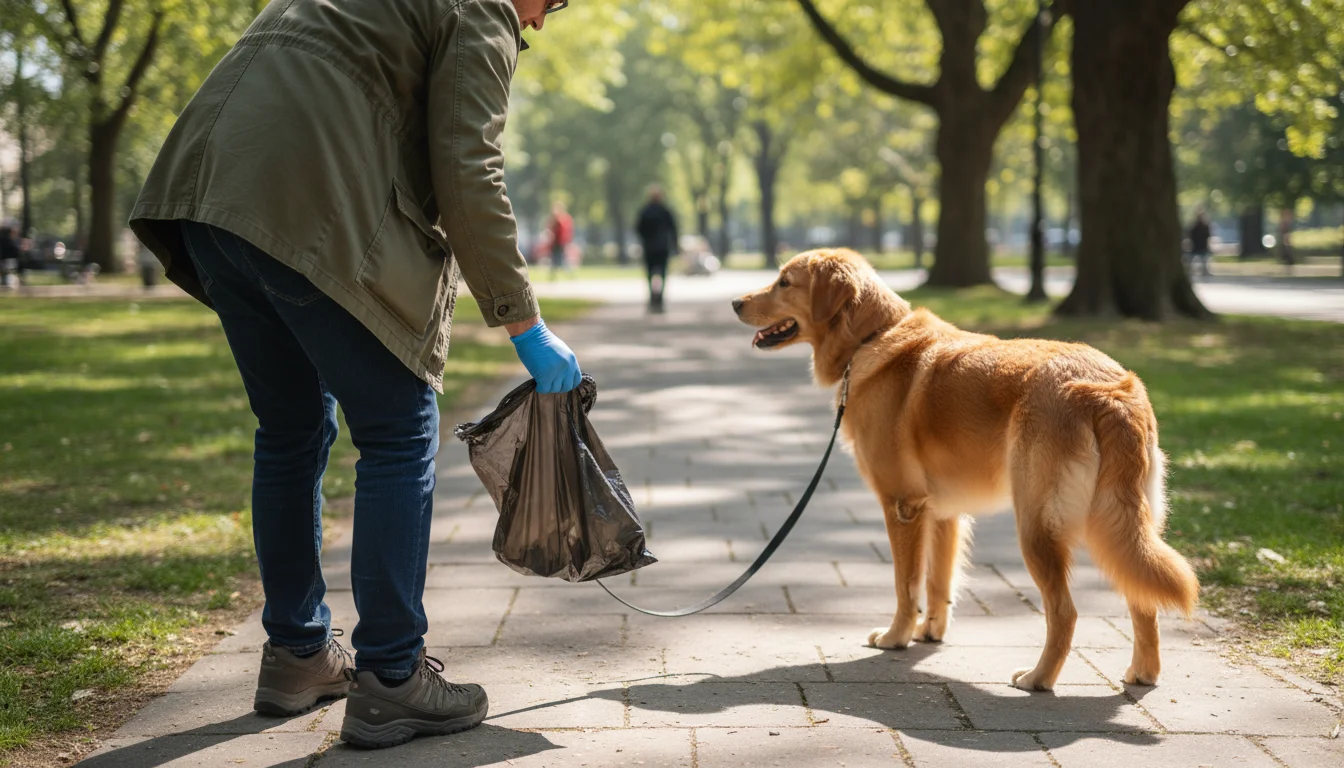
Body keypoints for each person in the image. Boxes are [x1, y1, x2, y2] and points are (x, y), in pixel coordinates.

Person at [127, 0, 581, 750]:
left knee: (291, 428)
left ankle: (298, 656)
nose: (540, 23)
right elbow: (468, 167)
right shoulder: (483, 10)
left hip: (208, 194)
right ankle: (393, 679)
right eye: (553, 3)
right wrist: (523, 324)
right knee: (400, 428)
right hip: (300, 200)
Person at [635, 185, 679, 311]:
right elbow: (673, 229)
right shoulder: (665, 211)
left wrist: (645, 240)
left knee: (650, 274)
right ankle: (660, 299)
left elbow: (639, 229)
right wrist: (674, 245)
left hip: (649, 248)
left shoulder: (645, 211)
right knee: (663, 274)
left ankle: (651, 298)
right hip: (662, 247)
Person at [546, 200, 575, 279]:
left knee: (560, 259)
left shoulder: (562, 219)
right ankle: (554, 275)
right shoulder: (556, 218)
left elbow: (566, 231)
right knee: (558, 259)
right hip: (556, 242)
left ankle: (557, 274)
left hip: (560, 242)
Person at [1188, 208, 1212, 277]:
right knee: (1202, 258)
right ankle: (1201, 270)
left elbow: (1207, 236)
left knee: (1203, 259)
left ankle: (1202, 270)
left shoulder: (1201, 226)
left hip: (1199, 245)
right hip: (1197, 244)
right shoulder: (1200, 226)